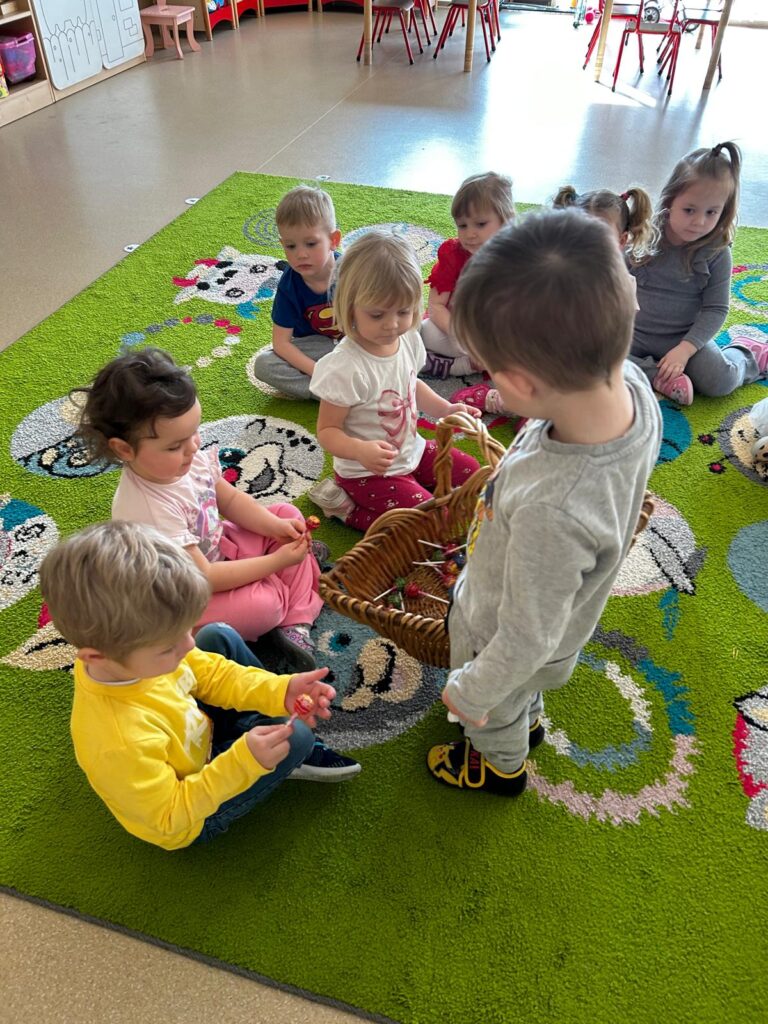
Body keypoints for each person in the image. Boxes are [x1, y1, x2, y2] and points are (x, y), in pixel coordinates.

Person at [426, 209, 662, 796]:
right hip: (551, 613)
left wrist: (470, 691)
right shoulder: (629, 386)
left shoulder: (555, 511)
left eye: (492, 373)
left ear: (522, 386)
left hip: (501, 635)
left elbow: (525, 639)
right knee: (520, 691)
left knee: (497, 709)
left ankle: (499, 766)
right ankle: (524, 718)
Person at [38, 521, 360, 851]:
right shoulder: (118, 742)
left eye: (186, 629)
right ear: (98, 656)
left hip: (191, 735)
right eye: (168, 647)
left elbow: (212, 674)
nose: (188, 645)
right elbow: (171, 815)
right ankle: (274, 753)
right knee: (299, 738)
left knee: (217, 635)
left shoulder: (133, 654)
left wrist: (280, 690)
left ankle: (258, 737)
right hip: (192, 809)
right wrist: (243, 763)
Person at [75, 348, 323, 668]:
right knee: (264, 607)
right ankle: (291, 590)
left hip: (221, 548)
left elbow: (230, 500)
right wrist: (277, 561)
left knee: (286, 516)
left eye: (194, 432)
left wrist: (274, 529)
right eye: (175, 446)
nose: (193, 447)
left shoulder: (187, 459)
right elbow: (203, 578)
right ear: (124, 449)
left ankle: (294, 621)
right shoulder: (146, 508)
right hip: (187, 596)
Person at [307, 231, 482, 533]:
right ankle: (347, 510)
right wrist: (360, 450)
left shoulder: (408, 338)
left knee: (475, 474)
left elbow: (411, 385)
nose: (392, 324)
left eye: (403, 311)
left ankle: (414, 488)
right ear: (349, 308)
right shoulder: (345, 366)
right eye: (377, 315)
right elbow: (327, 431)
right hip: (367, 473)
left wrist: (445, 408)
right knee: (428, 523)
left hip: (413, 450)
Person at [629, 141, 768, 406]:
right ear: (669, 200)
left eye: (711, 212)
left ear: (724, 211)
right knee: (590, 355)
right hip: (633, 335)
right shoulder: (643, 235)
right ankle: (657, 375)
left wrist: (685, 350)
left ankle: (749, 355)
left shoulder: (717, 252)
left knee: (719, 381)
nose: (699, 222)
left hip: (684, 339)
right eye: (689, 210)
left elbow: (716, 309)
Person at [422, 171, 515, 390]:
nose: (470, 234)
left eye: (480, 224)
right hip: (453, 330)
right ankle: (461, 366)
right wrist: (461, 335)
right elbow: (435, 306)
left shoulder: (515, 257)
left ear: (506, 221)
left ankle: (474, 362)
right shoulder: (453, 255)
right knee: (419, 334)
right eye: (462, 226)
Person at [251, 184, 343, 400]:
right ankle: (335, 395)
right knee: (264, 365)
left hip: (356, 343)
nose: (301, 254)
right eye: (290, 246)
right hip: (317, 349)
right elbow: (281, 343)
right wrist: (318, 372)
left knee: (406, 332)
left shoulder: (354, 271)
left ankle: (353, 386)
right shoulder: (289, 285)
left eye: (310, 244)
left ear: (333, 240)